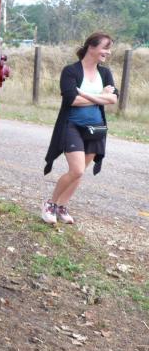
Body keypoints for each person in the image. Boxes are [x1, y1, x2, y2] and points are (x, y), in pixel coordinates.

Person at [42, 32, 118, 224]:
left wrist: (87, 95)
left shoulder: (105, 73)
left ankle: (62, 206)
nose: (108, 52)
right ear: (91, 47)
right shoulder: (71, 71)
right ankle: (50, 204)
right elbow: (72, 100)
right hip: (72, 126)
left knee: (80, 172)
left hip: (95, 128)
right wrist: (100, 96)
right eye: (105, 48)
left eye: (109, 49)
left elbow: (113, 99)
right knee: (77, 170)